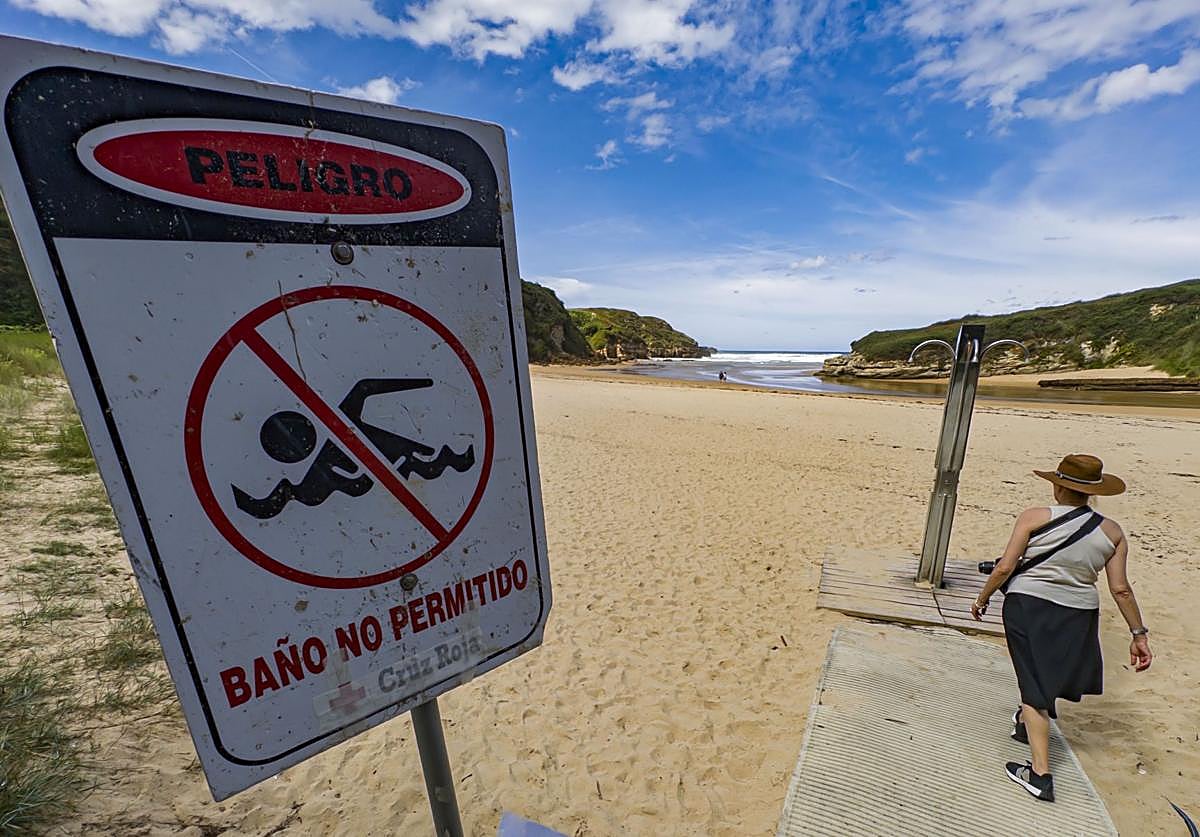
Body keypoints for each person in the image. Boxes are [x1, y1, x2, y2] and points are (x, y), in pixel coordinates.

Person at [970, 454, 1152, 803]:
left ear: (1057, 486)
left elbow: (1006, 566)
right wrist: (1138, 634)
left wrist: (983, 598)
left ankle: (1039, 774)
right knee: (1044, 669)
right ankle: (1025, 724)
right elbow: (1120, 588)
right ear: (1093, 492)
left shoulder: (1034, 517)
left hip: (1028, 605)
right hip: (1079, 613)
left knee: (1033, 683)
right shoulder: (1112, 532)